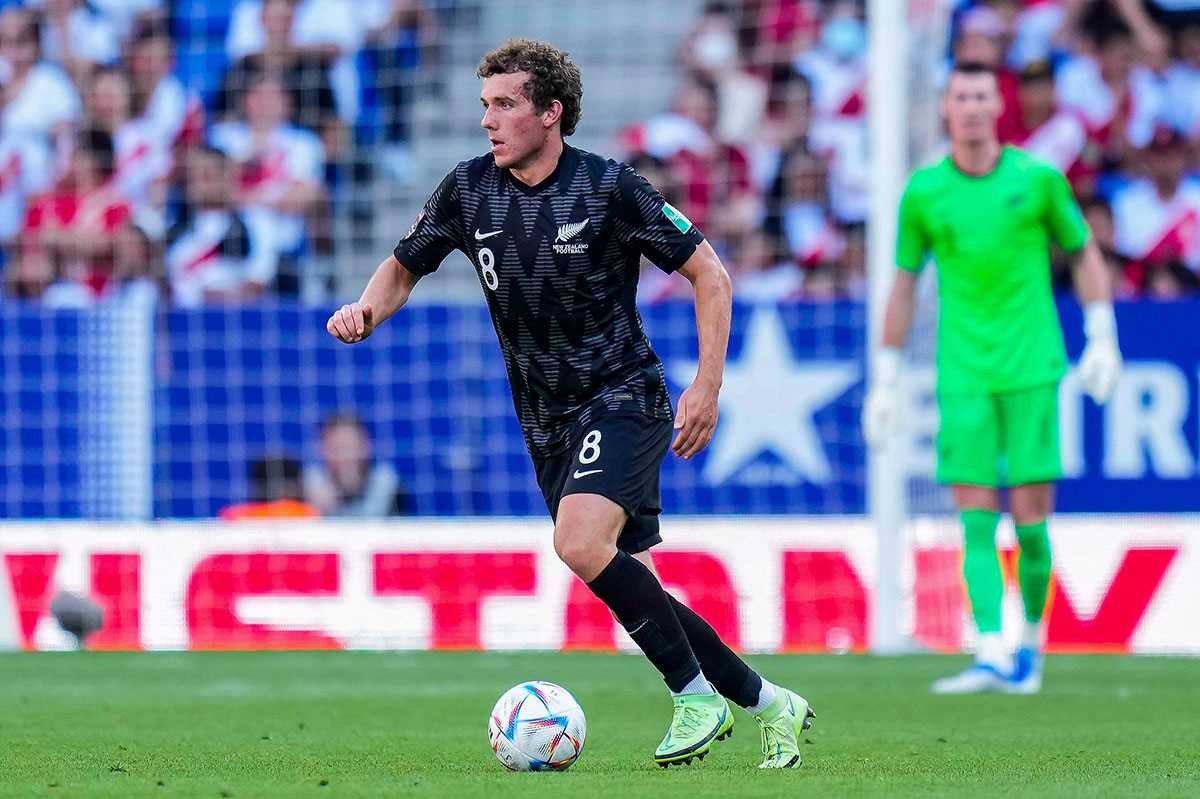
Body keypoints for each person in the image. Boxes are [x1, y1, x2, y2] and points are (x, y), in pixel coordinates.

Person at [327, 38, 814, 769]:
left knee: (580, 543)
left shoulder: (611, 188)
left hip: (624, 397)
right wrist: (366, 309)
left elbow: (709, 273)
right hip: (545, 421)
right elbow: (403, 265)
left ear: (551, 113)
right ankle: (771, 703)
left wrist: (707, 384)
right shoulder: (467, 191)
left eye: (505, 105)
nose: (489, 121)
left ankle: (694, 696)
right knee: (635, 584)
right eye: (484, 105)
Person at [862, 62, 1123, 694]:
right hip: (963, 375)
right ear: (946, 108)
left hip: (1033, 369)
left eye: (983, 94)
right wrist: (888, 376)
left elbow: (1083, 251)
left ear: (995, 106)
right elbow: (903, 284)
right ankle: (990, 654)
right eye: (962, 96)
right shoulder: (925, 192)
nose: (973, 106)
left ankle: (1030, 648)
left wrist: (1102, 336)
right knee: (976, 522)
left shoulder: (1037, 180)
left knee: (1031, 526)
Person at [303, 412, 409, 517]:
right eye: (337, 448)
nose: (344, 455)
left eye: (350, 447)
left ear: (366, 447)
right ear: (323, 449)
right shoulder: (310, 483)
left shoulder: (386, 482)